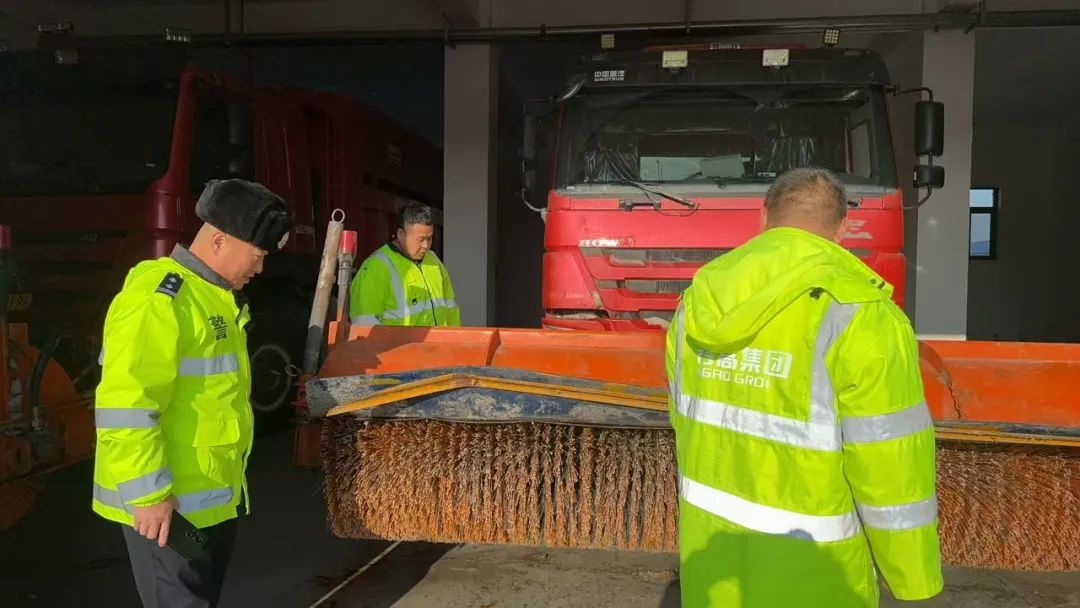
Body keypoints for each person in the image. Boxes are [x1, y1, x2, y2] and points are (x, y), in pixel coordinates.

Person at [665, 167, 942, 607]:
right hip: (815, 579)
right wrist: (913, 577)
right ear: (843, 227)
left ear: (764, 216)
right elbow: (889, 461)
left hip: (712, 569)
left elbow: (684, 420)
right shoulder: (861, 313)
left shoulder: (697, 300)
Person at [92, 178, 294, 607]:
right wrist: (149, 495)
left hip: (205, 503)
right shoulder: (160, 299)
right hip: (165, 510)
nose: (260, 269)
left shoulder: (214, 297)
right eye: (257, 256)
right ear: (219, 241)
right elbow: (126, 406)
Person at [349, 202, 461, 326]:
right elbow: (365, 325)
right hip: (397, 340)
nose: (426, 245)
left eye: (429, 238)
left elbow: (451, 310)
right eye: (420, 239)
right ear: (401, 235)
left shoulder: (433, 260)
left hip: (440, 340)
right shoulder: (376, 267)